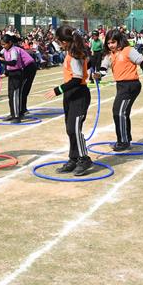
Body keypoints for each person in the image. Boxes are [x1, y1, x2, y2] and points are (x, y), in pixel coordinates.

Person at [44, 25, 93, 176]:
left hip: (79, 95)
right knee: (70, 129)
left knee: (74, 129)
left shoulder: (74, 55)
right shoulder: (72, 53)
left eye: (59, 41)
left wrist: (57, 90)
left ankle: (84, 159)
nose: (59, 44)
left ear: (64, 41)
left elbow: (77, 79)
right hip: (70, 95)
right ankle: (74, 158)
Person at [96, 29, 143, 150]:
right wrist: (98, 75)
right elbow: (103, 69)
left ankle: (123, 141)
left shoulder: (128, 50)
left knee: (119, 112)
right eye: (108, 43)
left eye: (113, 42)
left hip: (131, 85)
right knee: (122, 112)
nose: (110, 45)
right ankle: (125, 139)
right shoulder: (109, 55)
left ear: (119, 41)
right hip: (121, 86)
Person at [0, 34, 37, 123]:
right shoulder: (5, 50)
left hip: (28, 68)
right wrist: (6, 73)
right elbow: (2, 56)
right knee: (12, 93)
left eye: (4, 44)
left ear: (10, 43)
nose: (3, 46)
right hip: (18, 69)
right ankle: (14, 113)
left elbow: (13, 63)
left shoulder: (14, 50)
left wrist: (3, 62)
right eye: (2, 44)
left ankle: (19, 113)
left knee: (20, 91)